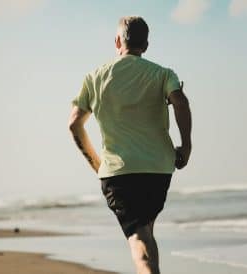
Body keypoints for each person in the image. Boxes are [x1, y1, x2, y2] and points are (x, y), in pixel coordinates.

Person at [68, 16, 192, 274]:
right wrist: (186, 146)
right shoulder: (162, 74)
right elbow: (180, 102)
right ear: (145, 45)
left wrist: (96, 163)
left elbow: (74, 123)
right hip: (158, 170)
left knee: (139, 240)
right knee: (145, 231)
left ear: (116, 42)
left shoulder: (95, 78)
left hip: (119, 174)